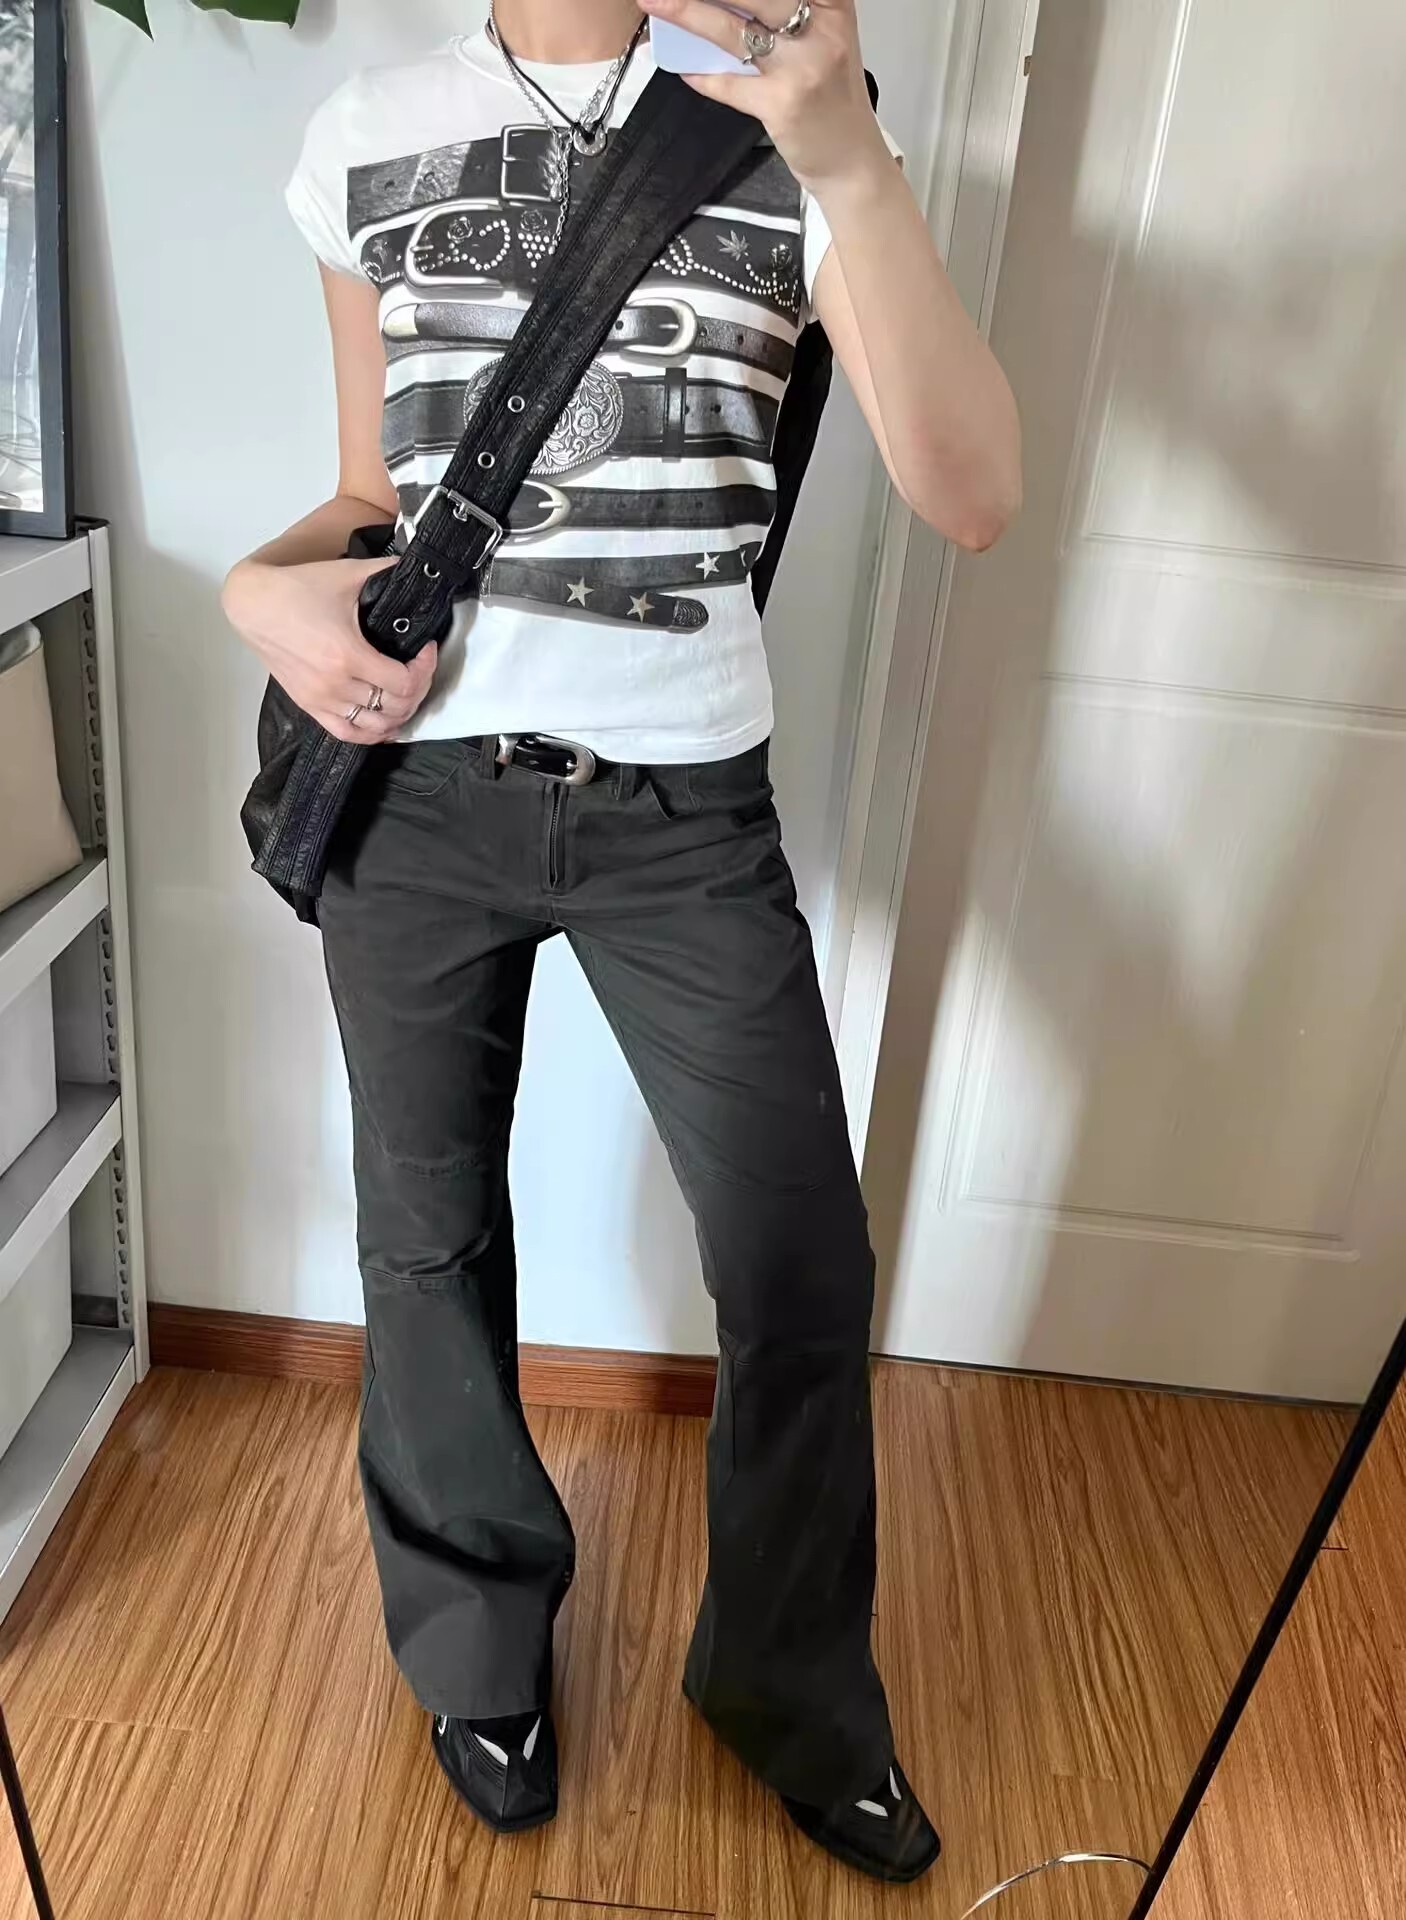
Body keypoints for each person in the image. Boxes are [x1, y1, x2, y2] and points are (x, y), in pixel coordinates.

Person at [223, 0, 1020, 1886]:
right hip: (414, 800)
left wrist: (842, 153)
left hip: (682, 814)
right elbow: (377, 496)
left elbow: (972, 495)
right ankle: (476, 1648)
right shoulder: (366, 130)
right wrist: (258, 588)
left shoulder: (795, 124)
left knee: (796, 1269)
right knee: (424, 1237)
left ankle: (787, 1688)